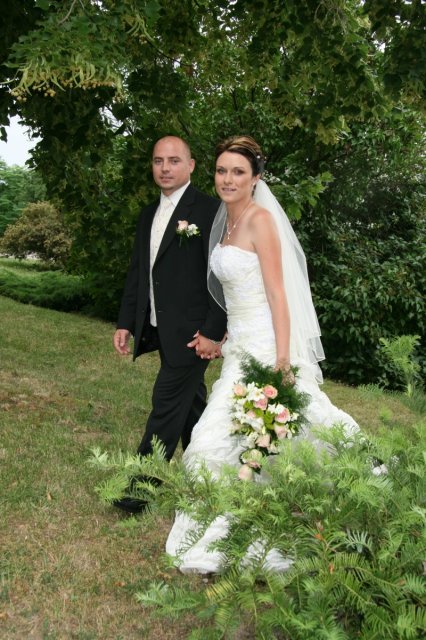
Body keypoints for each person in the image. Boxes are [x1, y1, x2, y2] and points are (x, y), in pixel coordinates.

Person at [165, 135, 358, 573]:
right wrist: (223, 341)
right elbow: (239, 296)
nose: (228, 179)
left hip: (269, 348)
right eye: (221, 171)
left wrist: (283, 360)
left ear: (255, 178)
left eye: (238, 172)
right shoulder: (226, 223)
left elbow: (276, 295)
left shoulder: (261, 220)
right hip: (239, 346)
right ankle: (229, 521)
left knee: (286, 434)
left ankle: (348, 490)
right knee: (226, 441)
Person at [113, 135, 227, 513]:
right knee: (191, 407)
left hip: (194, 334)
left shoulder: (211, 211)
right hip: (159, 327)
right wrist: (127, 322)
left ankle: (140, 489)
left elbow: (221, 277)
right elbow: (138, 273)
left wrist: (213, 330)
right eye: (158, 161)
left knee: (165, 403)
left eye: (174, 161)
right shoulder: (148, 214)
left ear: (191, 166)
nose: (165, 168)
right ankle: (206, 476)